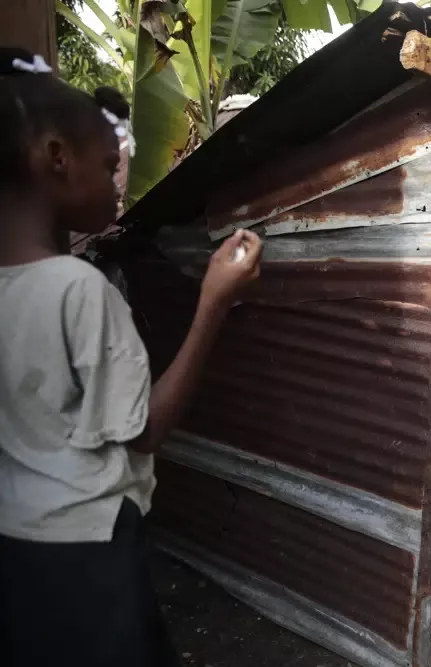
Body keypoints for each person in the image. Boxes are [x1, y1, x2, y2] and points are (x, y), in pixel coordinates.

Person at [0, 48, 262, 667]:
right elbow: (144, 431)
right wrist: (212, 303)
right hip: (86, 544)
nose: (120, 181)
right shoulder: (77, 288)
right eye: (107, 163)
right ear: (56, 158)